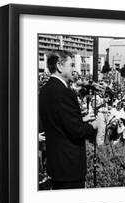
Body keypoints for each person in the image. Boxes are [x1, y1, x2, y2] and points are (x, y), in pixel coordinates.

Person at [39, 50, 97, 189]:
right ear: (59, 66)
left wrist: (81, 119)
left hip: (57, 163)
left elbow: (60, 123)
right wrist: (94, 125)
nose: (74, 69)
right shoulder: (64, 93)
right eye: (71, 65)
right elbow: (76, 131)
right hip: (69, 166)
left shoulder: (45, 90)